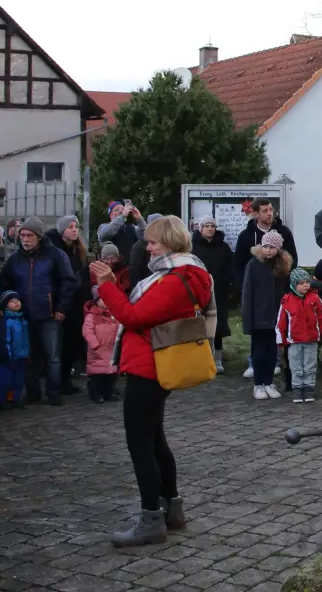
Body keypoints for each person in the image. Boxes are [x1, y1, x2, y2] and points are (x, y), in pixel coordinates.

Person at [90, 216, 212, 548]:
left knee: (140, 443)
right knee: (155, 439)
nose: (148, 247)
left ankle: (150, 519)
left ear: (170, 242)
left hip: (149, 367)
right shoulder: (181, 273)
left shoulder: (176, 279)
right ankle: (172, 510)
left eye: (153, 242)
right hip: (154, 364)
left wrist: (106, 284)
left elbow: (132, 317)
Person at [0, 217, 77, 406]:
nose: (25, 239)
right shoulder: (15, 259)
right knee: (27, 356)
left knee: (53, 356)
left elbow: (68, 282)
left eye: (29, 235)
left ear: (39, 236)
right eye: (22, 235)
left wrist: (61, 308)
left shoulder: (56, 256)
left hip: (50, 314)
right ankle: (33, 392)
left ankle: (54, 392)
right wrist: (0, 306)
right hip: (24, 315)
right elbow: (4, 285)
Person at [240, 230, 292, 401]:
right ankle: (259, 384)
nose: (268, 250)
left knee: (272, 352)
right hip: (258, 318)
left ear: (278, 248)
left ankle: (269, 382)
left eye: (272, 247)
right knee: (259, 352)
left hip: (276, 317)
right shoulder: (253, 265)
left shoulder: (282, 265)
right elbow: (247, 294)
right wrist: (248, 320)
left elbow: (286, 292)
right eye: (266, 246)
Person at [45, 216, 91, 394]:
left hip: (76, 302)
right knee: (59, 346)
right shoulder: (55, 250)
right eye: (70, 227)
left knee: (72, 343)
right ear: (62, 229)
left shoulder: (77, 249)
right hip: (61, 302)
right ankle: (57, 383)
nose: (74, 230)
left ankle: (65, 379)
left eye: (76, 227)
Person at [276, 267, 322, 404]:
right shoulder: (287, 301)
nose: (305, 285)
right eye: (301, 283)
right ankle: (297, 389)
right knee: (296, 367)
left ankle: (309, 388)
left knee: (310, 365)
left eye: (307, 281)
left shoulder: (315, 298)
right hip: (294, 341)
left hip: (311, 340)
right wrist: (280, 340)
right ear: (294, 285)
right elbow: (281, 322)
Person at [189, 219, 234, 373]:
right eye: (206, 226)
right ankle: (198, 359)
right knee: (197, 324)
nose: (210, 229)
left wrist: (227, 284)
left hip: (219, 291)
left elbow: (230, 267)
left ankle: (217, 359)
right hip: (197, 291)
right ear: (200, 229)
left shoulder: (223, 247)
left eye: (212, 226)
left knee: (218, 325)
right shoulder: (192, 247)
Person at [234, 199, 297, 290]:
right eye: (265, 211)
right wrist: (243, 288)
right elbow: (239, 264)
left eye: (271, 209)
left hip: (280, 286)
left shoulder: (284, 232)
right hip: (256, 287)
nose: (269, 213)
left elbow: (293, 258)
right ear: (256, 214)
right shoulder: (246, 236)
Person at [0, 291, 30, 410]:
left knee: (17, 381)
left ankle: (12, 398)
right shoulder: (5, 322)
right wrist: (7, 353)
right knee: (3, 379)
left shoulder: (23, 320)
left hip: (21, 356)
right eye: (12, 301)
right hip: (9, 356)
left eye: (17, 300)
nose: (16, 303)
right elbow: (4, 340)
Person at [82, 295, 120, 404]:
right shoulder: (91, 316)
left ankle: (108, 392)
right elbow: (87, 331)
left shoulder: (113, 315)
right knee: (98, 374)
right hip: (97, 350)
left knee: (111, 374)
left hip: (111, 349)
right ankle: (96, 393)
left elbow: (118, 328)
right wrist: (95, 345)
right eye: (102, 299)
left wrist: (118, 342)